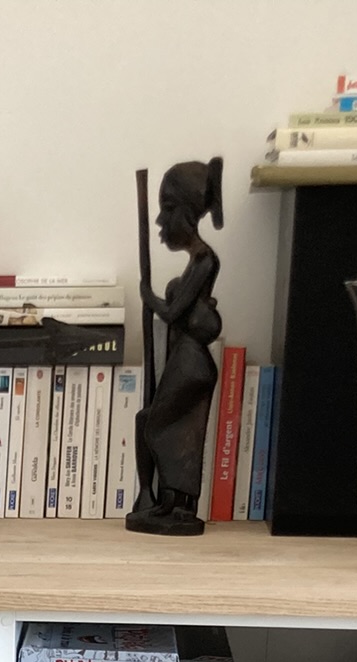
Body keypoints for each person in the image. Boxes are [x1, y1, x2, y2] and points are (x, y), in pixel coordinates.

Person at [129, 157, 225, 536]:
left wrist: (147, 295)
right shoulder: (195, 262)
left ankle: (178, 503)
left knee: (160, 425)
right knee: (154, 422)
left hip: (191, 363)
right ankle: (168, 500)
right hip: (182, 359)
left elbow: (172, 312)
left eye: (167, 209)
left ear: (186, 212)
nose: (159, 221)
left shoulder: (204, 260)